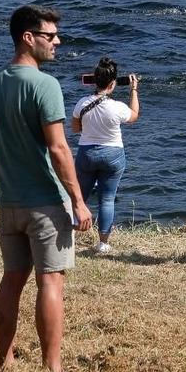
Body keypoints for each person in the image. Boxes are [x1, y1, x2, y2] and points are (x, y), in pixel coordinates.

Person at [0, 5, 91, 372]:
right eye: (50, 36)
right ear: (28, 38)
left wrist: (6, 178)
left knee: (12, 279)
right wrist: (78, 200)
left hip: (8, 199)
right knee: (51, 281)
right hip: (45, 201)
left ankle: (5, 361)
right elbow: (59, 149)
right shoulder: (45, 85)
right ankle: (52, 368)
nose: (57, 42)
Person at [70, 58, 138, 253]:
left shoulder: (82, 104)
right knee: (107, 199)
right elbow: (134, 115)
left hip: (87, 153)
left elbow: (75, 128)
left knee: (80, 197)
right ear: (113, 83)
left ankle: (70, 236)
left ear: (94, 81)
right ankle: (103, 243)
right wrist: (133, 89)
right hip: (113, 154)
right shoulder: (117, 107)